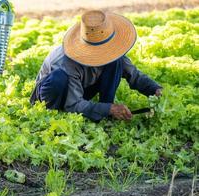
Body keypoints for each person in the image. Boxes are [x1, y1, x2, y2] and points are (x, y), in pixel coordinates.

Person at [30, 10, 162, 122]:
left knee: (116, 62)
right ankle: (55, 113)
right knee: (59, 78)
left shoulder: (112, 53)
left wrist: (155, 89)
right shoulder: (66, 62)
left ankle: (105, 111)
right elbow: (73, 104)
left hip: (78, 88)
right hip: (53, 94)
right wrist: (109, 109)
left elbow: (134, 75)